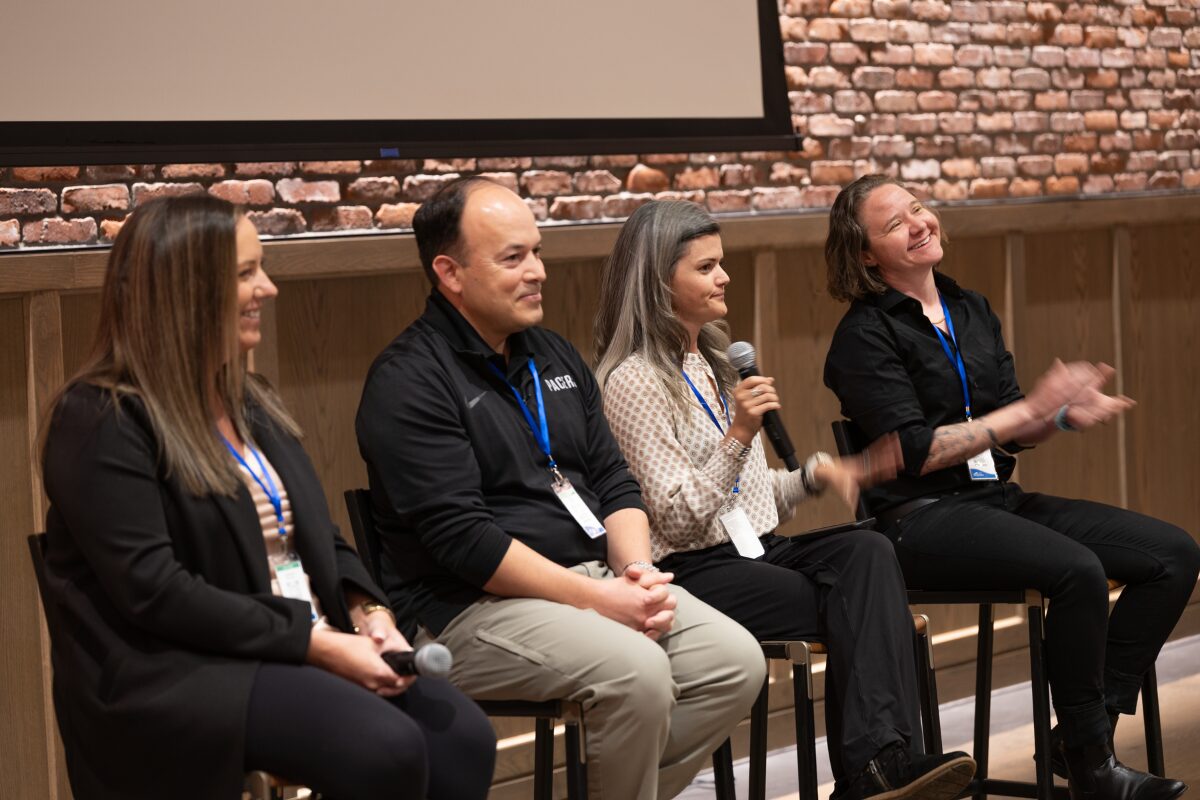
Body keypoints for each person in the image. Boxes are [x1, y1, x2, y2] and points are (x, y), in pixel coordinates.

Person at [39, 195, 496, 800]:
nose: (269, 288)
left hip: (290, 643)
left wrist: (370, 616)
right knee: (384, 745)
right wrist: (318, 644)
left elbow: (319, 535)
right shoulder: (100, 418)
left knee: (462, 735)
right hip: (182, 669)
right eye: (246, 273)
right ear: (184, 292)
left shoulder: (249, 398)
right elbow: (156, 592)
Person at [355, 177, 765, 800]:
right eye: (513, 258)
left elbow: (613, 479)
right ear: (450, 272)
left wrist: (634, 575)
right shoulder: (409, 379)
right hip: (468, 607)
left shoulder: (551, 354)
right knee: (638, 673)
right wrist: (599, 601)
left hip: (591, 578)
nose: (537, 272)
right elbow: (465, 542)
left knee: (734, 662)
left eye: (538, 252)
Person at [822, 174, 1200, 800]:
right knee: (1077, 570)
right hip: (918, 519)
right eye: (895, 224)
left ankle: (1080, 735)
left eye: (918, 209)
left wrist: (1059, 417)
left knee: (1173, 553)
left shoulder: (969, 307)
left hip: (995, 500)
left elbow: (1009, 428)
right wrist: (1027, 412)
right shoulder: (863, 336)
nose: (919, 224)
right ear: (865, 255)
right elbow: (916, 452)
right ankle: (1093, 765)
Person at [593, 199, 976, 800]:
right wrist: (739, 434)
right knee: (861, 601)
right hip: (691, 570)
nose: (724, 277)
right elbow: (676, 515)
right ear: (658, 283)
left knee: (870, 551)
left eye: (721, 263)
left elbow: (745, 496)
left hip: (751, 551)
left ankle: (880, 767)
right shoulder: (634, 380)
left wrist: (816, 476)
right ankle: (875, 770)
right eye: (705, 268)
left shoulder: (716, 362)